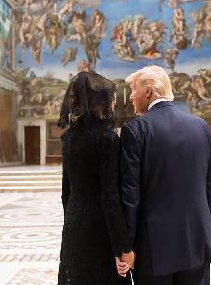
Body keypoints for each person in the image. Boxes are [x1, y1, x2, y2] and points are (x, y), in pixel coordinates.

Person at [119, 66, 211, 285]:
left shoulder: (135, 130)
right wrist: (203, 229)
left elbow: (130, 195)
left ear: (148, 92)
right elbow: (210, 187)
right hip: (197, 242)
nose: (130, 97)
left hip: (155, 247)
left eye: (133, 90)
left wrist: (126, 247)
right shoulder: (201, 126)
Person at [57, 71, 135, 285]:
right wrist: (123, 247)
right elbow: (110, 198)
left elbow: (66, 192)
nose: (114, 102)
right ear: (103, 102)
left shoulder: (69, 137)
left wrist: (72, 221)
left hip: (74, 225)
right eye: (112, 98)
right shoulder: (107, 139)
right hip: (99, 231)